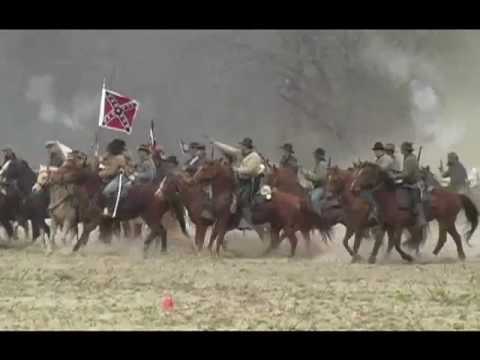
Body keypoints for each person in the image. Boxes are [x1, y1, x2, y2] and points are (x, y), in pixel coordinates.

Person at [211, 137, 265, 222]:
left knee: (243, 201)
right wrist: (215, 143)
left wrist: (236, 169)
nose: (241, 147)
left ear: (246, 147)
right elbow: (228, 149)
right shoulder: (240, 153)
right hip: (239, 180)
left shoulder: (255, 157)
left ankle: (247, 220)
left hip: (249, 182)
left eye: (242, 146)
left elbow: (249, 170)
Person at [395, 141, 426, 227]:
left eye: (402, 149)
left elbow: (406, 174)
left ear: (405, 150)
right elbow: (405, 172)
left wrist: (394, 176)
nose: (401, 151)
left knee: (415, 197)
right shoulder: (408, 158)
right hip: (409, 182)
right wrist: (398, 173)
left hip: (414, 184)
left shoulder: (410, 159)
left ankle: (421, 218)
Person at [99, 139, 134, 216]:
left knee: (107, 191)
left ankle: (110, 210)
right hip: (125, 175)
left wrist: (99, 174)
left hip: (123, 177)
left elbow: (112, 171)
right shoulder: (121, 156)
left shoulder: (119, 158)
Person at [301, 147, 328, 216]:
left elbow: (318, 178)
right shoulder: (318, 164)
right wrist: (306, 174)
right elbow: (313, 176)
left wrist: (307, 173)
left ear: (318, 156)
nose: (314, 157)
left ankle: (318, 216)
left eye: (315, 155)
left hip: (321, 187)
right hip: (316, 187)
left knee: (314, 199)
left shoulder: (322, 164)